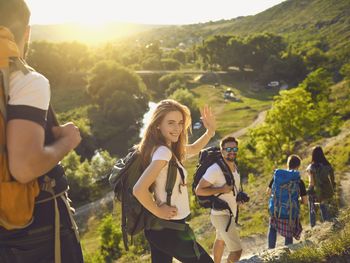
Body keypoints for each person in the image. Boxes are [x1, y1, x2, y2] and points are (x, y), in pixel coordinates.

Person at [0, 1, 83, 262]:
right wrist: (66, 142)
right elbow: (24, 168)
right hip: (32, 226)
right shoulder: (25, 79)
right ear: (27, 32)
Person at [133, 99, 215, 263]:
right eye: (170, 123)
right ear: (158, 125)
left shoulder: (164, 148)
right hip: (168, 229)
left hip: (160, 228)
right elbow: (138, 189)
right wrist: (158, 211)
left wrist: (210, 132)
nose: (177, 128)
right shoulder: (163, 152)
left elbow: (192, 149)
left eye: (180, 122)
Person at [195, 136, 243, 263]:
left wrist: (239, 198)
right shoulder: (215, 169)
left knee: (220, 240)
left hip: (229, 213)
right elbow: (199, 190)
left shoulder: (234, 167)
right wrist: (221, 189)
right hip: (221, 215)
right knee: (237, 251)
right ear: (222, 151)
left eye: (234, 148)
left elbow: (232, 189)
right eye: (228, 148)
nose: (232, 151)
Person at [266, 155, 307, 249]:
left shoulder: (277, 177)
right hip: (290, 211)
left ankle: (270, 250)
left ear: (287, 164)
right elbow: (305, 201)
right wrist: (295, 200)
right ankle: (287, 253)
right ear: (298, 166)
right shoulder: (299, 181)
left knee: (272, 228)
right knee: (289, 232)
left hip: (276, 209)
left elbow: (268, 192)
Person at [306, 146, 336, 227]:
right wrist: (333, 187)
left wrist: (308, 190)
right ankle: (328, 224)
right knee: (324, 207)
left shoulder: (311, 167)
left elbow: (311, 182)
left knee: (312, 209)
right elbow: (332, 179)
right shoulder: (327, 165)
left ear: (313, 155)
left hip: (316, 190)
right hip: (327, 190)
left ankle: (313, 227)